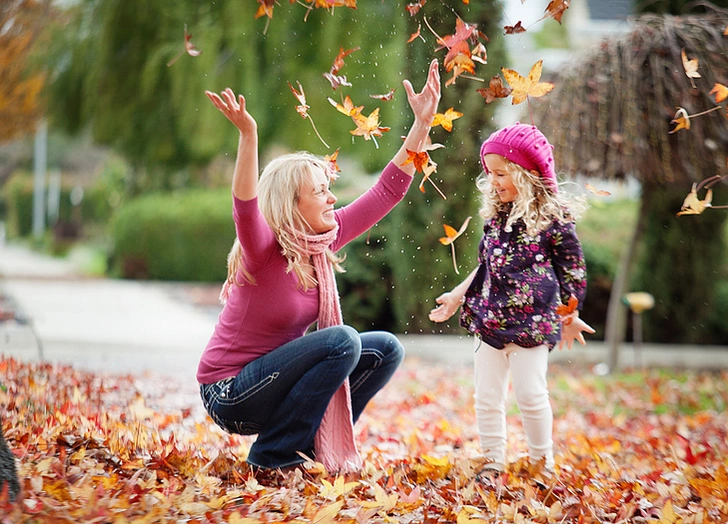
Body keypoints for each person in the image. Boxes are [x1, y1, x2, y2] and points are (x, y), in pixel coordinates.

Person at [197, 59, 441, 476]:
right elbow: (244, 205)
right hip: (230, 393)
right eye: (321, 191)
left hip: (271, 385)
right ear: (293, 206)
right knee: (340, 341)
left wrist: (421, 125)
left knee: (383, 349)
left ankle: (305, 447)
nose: (332, 199)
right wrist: (248, 135)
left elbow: (387, 190)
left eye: (330, 190)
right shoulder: (263, 249)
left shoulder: (323, 241)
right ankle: (272, 457)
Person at [428, 123, 594, 477]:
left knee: (531, 396)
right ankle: (492, 462)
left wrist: (571, 312)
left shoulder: (554, 220)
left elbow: (573, 270)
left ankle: (542, 462)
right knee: (487, 398)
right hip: (489, 322)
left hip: (532, 326)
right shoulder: (497, 219)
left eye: (502, 173)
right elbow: (486, 266)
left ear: (527, 173)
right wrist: (458, 296)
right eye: (490, 174)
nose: (495, 181)